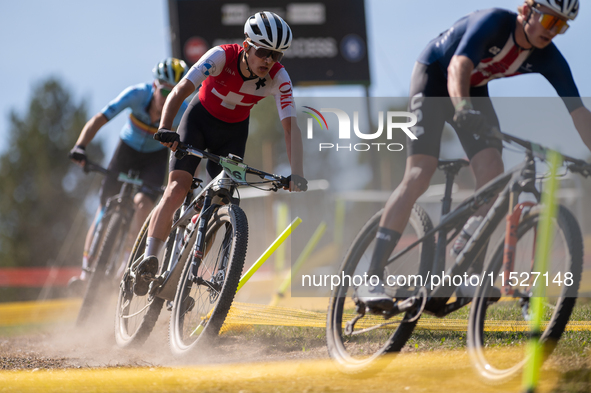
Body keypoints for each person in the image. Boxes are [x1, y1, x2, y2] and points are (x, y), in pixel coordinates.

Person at [358, 0, 591, 310]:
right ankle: (371, 276)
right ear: (527, 10)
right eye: (550, 20)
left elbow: (578, 112)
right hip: (436, 77)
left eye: (561, 26)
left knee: (493, 170)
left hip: (473, 89)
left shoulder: (549, 57)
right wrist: (462, 108)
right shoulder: (494, 22)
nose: (554, 31)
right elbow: (459, 66)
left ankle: (467, 263)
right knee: (419, 174)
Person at [134, 11, 306, 291]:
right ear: (247, 44)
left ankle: (188, 258)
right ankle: (149, 258)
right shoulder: (220, 56)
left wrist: (297, 173)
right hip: (198, 121)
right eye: (263, 52)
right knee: (178, 188)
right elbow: (179, 91)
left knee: (219, 203)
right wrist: (166, 127)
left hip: (233, 134)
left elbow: (291, 129)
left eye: (277, 55)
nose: (269, 61)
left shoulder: (279, 77)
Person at [68, 58, 189, 290]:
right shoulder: (136, 95)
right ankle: (85, 272)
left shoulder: (182, 109)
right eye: (164, 90)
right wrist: (80, 146)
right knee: (103, 209)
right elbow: (100, 118)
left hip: (155, 159)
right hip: (126, 151)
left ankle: (125, 264)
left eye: (175, 92)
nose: (167, 97)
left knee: (143, 206)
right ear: (154, 85)